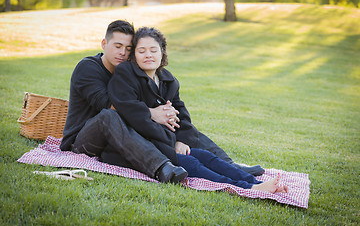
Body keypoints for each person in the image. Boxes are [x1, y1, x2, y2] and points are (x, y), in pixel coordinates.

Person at [60, 19, 264, 184]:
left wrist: (168, 119)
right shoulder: (88, 68)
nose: (123, 53)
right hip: (85, 139)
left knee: (174, 120)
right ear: (104, 44)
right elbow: (109, 105)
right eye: (117, 46)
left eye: (128, 48)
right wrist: (152, 112)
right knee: (109, 116)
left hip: (121, 135)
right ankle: (162, 167)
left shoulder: (131, 73)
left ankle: (230, 165)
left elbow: (159, 110)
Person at [108, 27, 287, 193]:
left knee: (207, 157)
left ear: (162, 53)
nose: (148, 55)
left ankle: (256, 184)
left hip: (166, 142)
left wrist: (182, 140)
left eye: (153, 50)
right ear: (134, 56)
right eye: (141, 51)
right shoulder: (126, 73)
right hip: (139, 146)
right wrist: (154, 114)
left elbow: (182, 114)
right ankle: (246, 188)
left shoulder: (168, 80)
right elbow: (126, 105)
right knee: (192, 163)